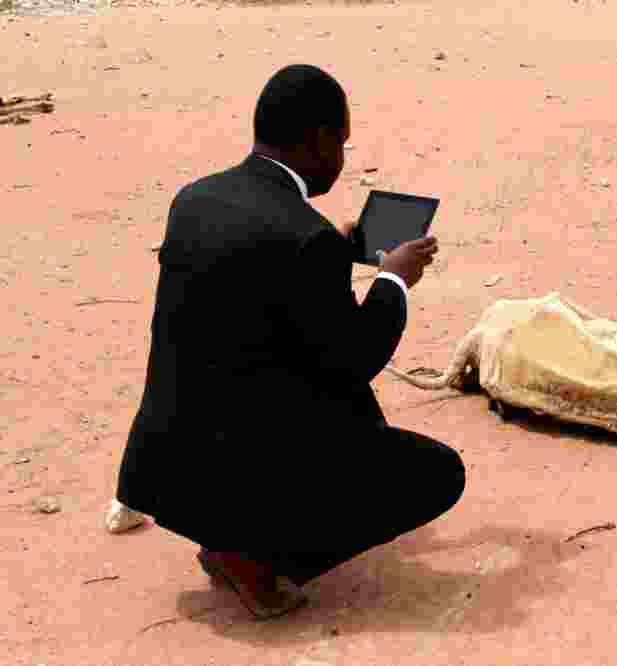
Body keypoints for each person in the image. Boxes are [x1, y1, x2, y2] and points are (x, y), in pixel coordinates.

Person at [113, 64, 466, 620]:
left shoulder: (195, 199)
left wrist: (336, 251)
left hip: (161, 469)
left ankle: (231, 536)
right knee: (438, 474)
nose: (343, 158)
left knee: (334, 407)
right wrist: (395, 279)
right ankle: (255, 558)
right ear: (320, 140)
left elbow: (261, 297)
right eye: (342, 144)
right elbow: (356, 359)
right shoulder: (305, 237)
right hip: (236, 465)